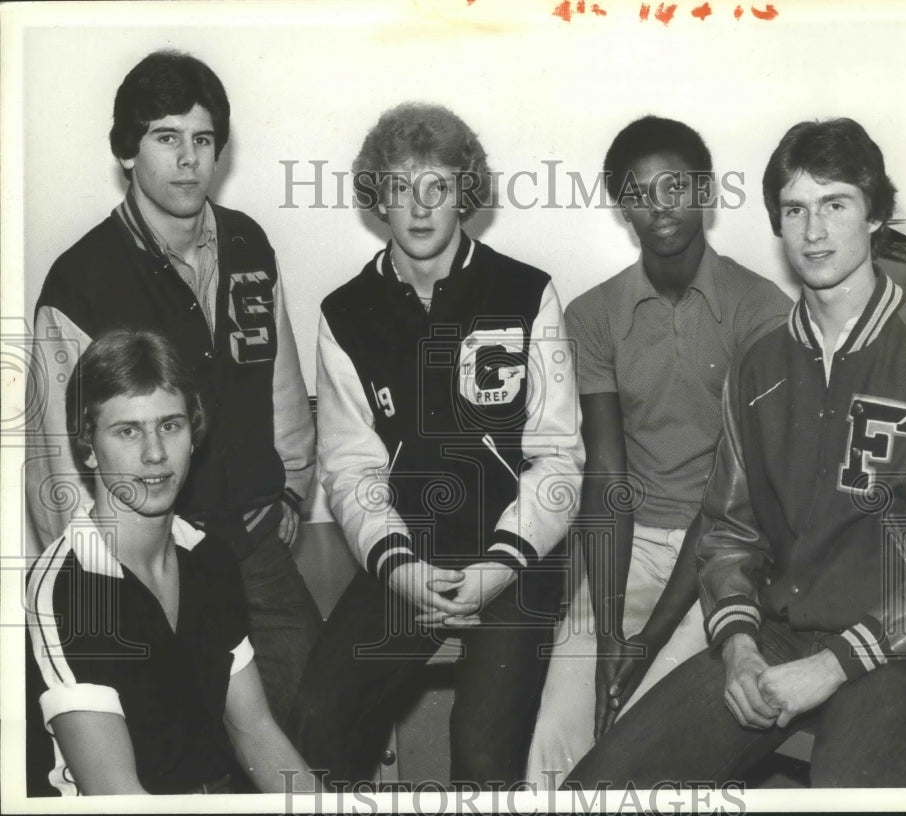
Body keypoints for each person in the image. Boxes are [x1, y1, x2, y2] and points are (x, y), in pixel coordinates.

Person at [564, 117, 906, 788]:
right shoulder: (759, 365)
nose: (814, 231)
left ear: (875, 216)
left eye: (835, 204)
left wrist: (834, 665)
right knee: (598, 789)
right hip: (782, 630)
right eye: (795, 210)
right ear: (778, 226)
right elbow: (729, 533)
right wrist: (739, 644)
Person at [289, 102, 584, 787]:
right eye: (399, 187)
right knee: (317, 720)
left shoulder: (526, 293)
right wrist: (403, 571)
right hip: (408, 558)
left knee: (481, 757)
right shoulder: (344, 313)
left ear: (465, 194)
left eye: (439, 187)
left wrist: (496, 568)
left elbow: (558, 459)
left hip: (513, 558)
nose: (420, 208)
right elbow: (351, 469)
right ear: (376, 199)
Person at [26, 50, 320, 728]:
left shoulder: (249, 246)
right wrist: (102, 586)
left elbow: (281, 383)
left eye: (203, 138)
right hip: (142, 562)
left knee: (315, 710)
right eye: (166, 137)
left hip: (249, 543)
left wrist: (289, 489)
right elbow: (55, 461)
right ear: (128, 151)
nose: (188, 158)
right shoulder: (81, 281)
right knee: (174, 739)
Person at [526, 116, 790, 788]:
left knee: (639, 739)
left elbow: (735, 494)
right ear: (622, 207)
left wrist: (642, 646)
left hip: (727, 554)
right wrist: (611, 627)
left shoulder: (761, 311)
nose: (660, 204)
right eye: (639, 192)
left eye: (675, 185)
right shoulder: (593, 315)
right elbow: (607, 476)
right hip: (626, 547)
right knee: (559, 733)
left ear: (705, 190)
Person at [25, 329, 316, 795]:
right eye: (128, 431)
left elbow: (255, 733)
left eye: (170, 425)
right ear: (87, 448)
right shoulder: (67, 591)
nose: (156, 453)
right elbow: (117, 796)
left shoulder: (210, 558)